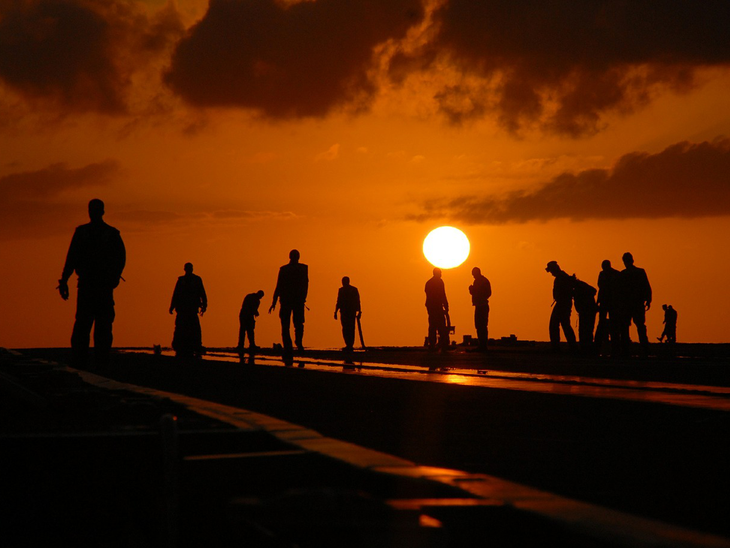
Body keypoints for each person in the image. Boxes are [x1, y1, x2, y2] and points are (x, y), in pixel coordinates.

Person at [58, 199, 126, 370]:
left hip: (100, 286)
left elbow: (120, 258)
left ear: (101, 211)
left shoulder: (109, 234)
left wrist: (114, 277)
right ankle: (84, 362)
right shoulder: (84, 233)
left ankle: (98, 363)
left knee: (99, 326)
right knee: (85, 326)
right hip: (90, 286)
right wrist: (64, 280)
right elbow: (71, 258)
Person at [269, 249, 309, 360]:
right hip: (295, 301)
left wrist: (274, 301)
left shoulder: (285, 269)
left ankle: (290, 345)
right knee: (298, 324)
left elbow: (278, 286)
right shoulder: (303, 268)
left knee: (288, 325)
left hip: (289, 301)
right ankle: (297, 344)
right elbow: (305, 285)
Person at [616, 252, 652, 357]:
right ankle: (644, 349)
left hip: (629, 304)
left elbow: (619, 291)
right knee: (639, 326)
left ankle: (627, 350)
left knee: (626, 327)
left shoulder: (623, 274)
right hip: (636, 304)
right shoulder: (639, 272)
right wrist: (648, 300)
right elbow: (647, 287)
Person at [169, 263, 207, 358]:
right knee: (181, 328)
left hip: (191, 309)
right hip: (183, 309)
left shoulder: (196, 280)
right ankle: (180, 345)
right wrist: (172, 306)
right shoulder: (181, 280)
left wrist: (204, 305)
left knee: (194, 328)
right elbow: (176, 294)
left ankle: (195, 345)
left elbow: (202, 293)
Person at [545, 261, 576, 352]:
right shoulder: (563, 277)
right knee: (564, 325)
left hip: (563, 304)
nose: (551, 273)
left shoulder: (562, 278)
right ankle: (571, 346)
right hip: (563, 303)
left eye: (551, 271)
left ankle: (557, 347)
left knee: (555, 324)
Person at [594, 259, 620, 357]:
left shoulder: (607, 274)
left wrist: (598, 301)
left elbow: (601, 288)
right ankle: (613, 347)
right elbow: (601, 288)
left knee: (606, 324)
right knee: (610, 324)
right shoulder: (614, 274)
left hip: (609, 302)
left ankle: (602, 346)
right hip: (609, 302)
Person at [425, 267, 450, 351]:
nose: (441, 274)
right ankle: (441, 344)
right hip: (435, 306)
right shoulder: (439, 282)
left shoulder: (429, 283)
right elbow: (442, 294)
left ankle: (433, 344)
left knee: (433, 325)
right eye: (440, 273)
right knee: (440, 325)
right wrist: (446, 305)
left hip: (432, 306)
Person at [334, 277, 361, 352]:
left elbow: (357, 301)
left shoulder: (353, 290)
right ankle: (348, 344)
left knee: (351, 328)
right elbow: (338, 301)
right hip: (343, 312)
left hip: (351, 312)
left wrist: (359, 311)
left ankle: (350, 345)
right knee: (345, 328)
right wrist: (335, 312)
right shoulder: (341, 290)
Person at [573, 276, 598, 354]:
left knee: (586, 329)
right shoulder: (578, 287)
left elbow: (593, 291)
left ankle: (586, 348)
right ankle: (585, 347)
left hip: (588, 310)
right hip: (586, 310)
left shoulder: (580, 286)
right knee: (586, 329)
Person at [468, 267, 491, 352]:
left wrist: (473, 290)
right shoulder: (482, 281)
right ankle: (482, 345)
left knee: (482, 326)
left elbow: (486, 293)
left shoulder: (481, 281)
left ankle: (483, 346)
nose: (473, 276)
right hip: (480, 305)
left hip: (482, 306)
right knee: (479, 326)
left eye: (474, 274)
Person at [238, 290, 265, 356]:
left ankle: (248, 345)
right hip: (245, 315)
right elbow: (250, 308)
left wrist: (255, 312)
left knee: (247, 331)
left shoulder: (250, 297)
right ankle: (244, 345)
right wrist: (255, 312)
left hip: (246, 315)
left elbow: (252, 309)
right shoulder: (254, 299)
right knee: (246, 330)